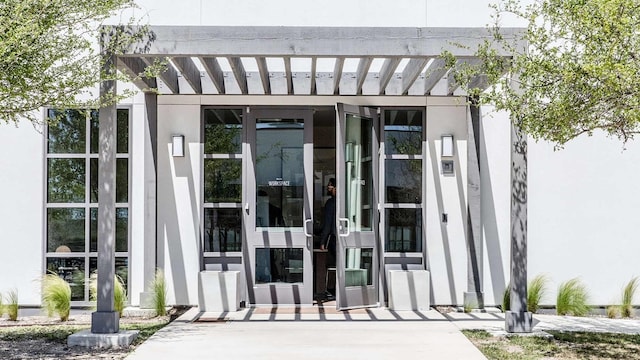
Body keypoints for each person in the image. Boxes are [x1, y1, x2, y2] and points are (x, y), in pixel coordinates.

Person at [319, 178, 337, 299]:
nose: (327, 188)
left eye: (330, 186)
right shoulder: (345, 201)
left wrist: (322, 241)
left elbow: (327, 224)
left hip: (334, 238)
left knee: (330, 264)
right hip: (340, 237)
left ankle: (331, 289)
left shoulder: (331, 203)